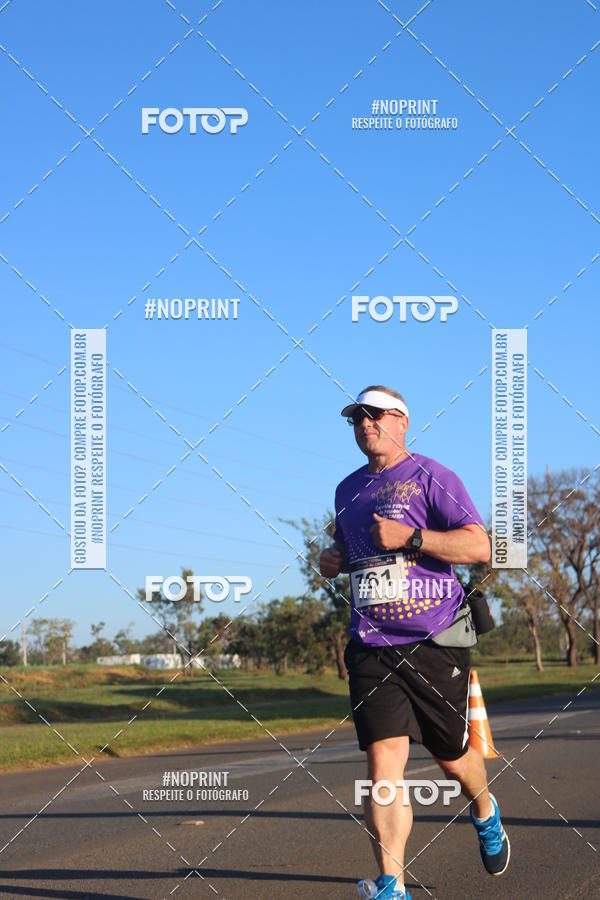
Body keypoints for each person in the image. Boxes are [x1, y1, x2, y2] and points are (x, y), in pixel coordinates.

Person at [319, 385, 510, 900]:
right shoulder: (345, 490)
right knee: (382, 767)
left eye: (375, 416)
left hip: (433, 641)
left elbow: (479, 544)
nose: (365, 425)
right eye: (357, 418)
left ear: (402, 421)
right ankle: (391, 886)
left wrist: (412, 538)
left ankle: (484, 808)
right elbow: (346, 548)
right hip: (370, 648)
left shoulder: (432, 476)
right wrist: (330, 561)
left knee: (452, 758)